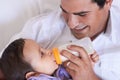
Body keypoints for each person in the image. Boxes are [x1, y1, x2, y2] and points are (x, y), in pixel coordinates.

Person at [1, 0, 120, 79]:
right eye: (64, 11)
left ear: (108, 2)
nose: (71, 24)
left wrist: (91, 76)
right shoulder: (40, 29)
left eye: (82, 14)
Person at [0, 38, 99, 80]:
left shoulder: (53, 71)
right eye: (42, 54)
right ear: (33, 75)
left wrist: (86, 64)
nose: (49, 51)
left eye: (43, 47)